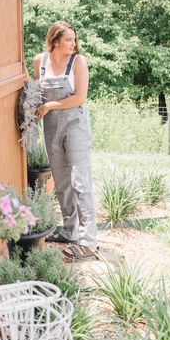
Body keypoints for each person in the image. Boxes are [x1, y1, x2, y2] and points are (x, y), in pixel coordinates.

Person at [34, 20, 100, 261]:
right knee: (61, 182)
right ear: (54, 41)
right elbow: (35, 94)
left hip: (75, 126)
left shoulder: (78, 62)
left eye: (74, 40)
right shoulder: (39, 62)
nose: (73, 44)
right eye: (68, 40)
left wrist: (50, 105)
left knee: (80, 181)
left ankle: (88, 241)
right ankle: (69, 231)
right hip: (51, 127)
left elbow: (80, 97)